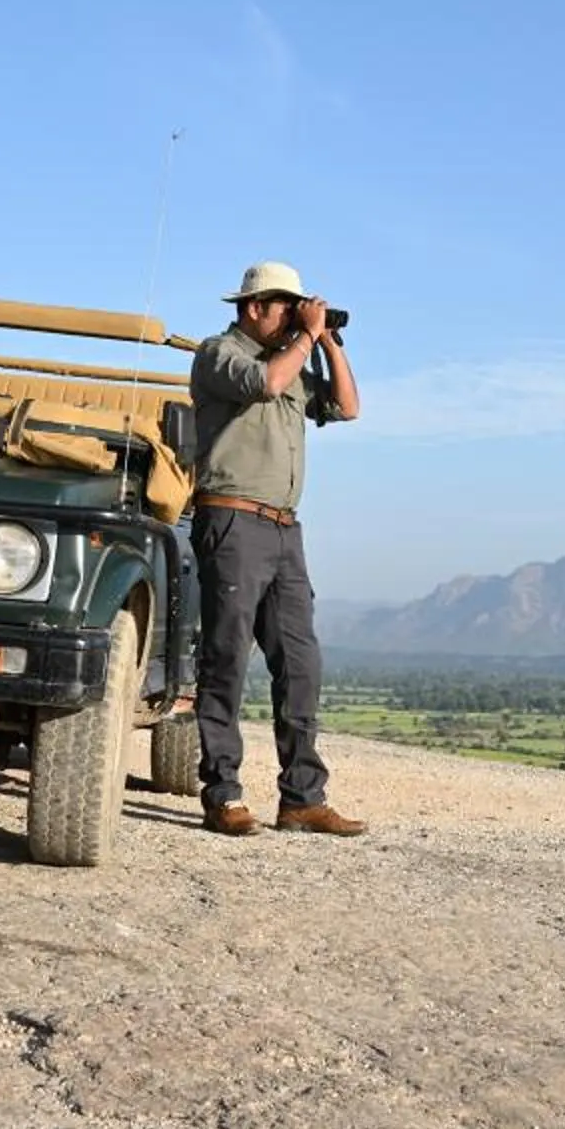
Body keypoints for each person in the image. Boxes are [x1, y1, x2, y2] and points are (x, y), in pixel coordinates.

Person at [186, 260, 364, 836]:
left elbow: (348, 406)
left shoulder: (292, 360)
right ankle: (223, 794)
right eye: (284, 305)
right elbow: (266, 384)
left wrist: (328, 342)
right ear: (253, 307)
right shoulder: (220, 355)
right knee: (227, 658)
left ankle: (302, 798)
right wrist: (306, 336)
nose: (293, 314)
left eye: (298, 306)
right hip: (233, 521)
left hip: (285, 529)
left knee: (300, 661)